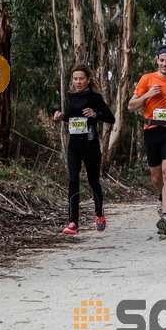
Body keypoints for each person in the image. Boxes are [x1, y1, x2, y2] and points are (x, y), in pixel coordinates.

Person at [128, 45, 166, 235]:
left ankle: (165, 216)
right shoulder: (147, 79)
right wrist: (147, 95)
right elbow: (131, 106)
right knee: (156, 177)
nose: (165, 63)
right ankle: (160, 195)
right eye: (162, 60)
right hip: (152, 130)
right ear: (157, 60)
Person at [53, 64, 115, 234]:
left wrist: (96, 115)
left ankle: (99, 214)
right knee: (73, 181)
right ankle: (73, 222)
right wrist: (61, 116)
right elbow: (71, 117)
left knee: (93, 181)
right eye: (75, 79)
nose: (78, 82)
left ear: (88, 80)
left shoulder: (95, 98)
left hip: (91, 146)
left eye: (81, 79)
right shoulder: (70, 97)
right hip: (74, 146)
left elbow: (111, 118)